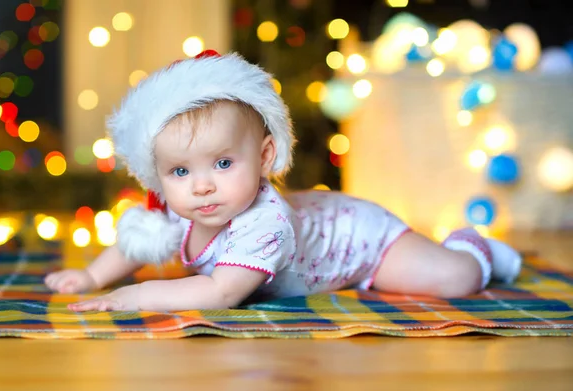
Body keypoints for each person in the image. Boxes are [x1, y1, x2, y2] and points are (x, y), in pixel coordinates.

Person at [44, 50, 521, 312]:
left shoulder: (262, 222)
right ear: (159, 173)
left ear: (266, 156)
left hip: (363, 240)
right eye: (181, 172)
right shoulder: (183, 205)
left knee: (453, 280)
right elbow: (136, 247)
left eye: (223, 164)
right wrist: (93, 276)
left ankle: (472, 248)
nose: (202, 186)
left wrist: (134, 295)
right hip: (324, 225)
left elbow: (220, 294)